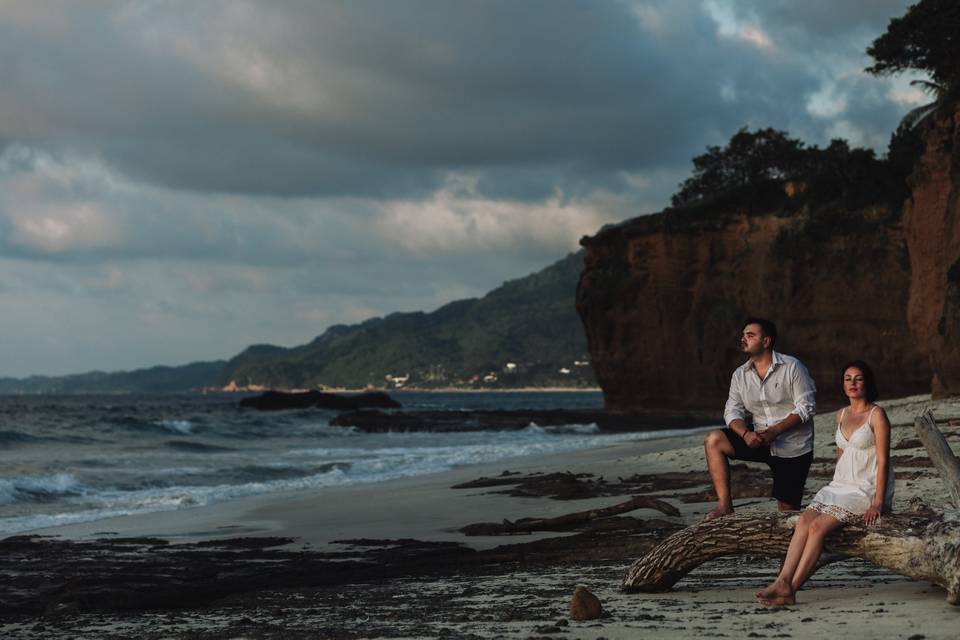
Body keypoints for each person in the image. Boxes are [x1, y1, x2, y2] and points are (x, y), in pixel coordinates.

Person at [755, 360, 893, 606]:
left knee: (818, 528)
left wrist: (879, 502)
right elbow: (842, 455)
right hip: (839, 485)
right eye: (847, 378)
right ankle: (783, 580)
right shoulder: (841, 414)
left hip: (864, 488)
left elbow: (883, 461)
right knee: (804, 523)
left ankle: (791, 589)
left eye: (858, 378)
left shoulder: (877, 414)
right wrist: (832, 489)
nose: (852, 383)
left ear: (867, 383)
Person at [703, 318, 816, 521]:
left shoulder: (792, 367)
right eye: (743, 334)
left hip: (793, 447)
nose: (743, 338)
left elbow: (807, 407)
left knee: (787, 513)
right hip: (757, 438)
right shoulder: (740, 375)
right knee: (714, 440)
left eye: (750, 335)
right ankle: (725, 505)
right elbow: (732, 412)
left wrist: (775, 431)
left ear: (766, 342)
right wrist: (745, 434)